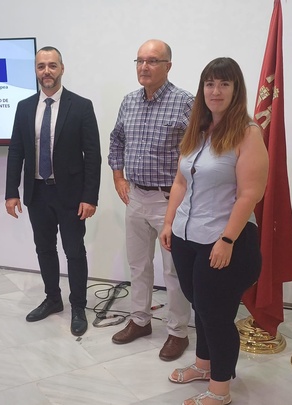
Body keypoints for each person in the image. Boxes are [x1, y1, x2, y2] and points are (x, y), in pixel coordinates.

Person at [159, 57, 268, 405]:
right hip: (186, 237)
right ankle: (204, 366)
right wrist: (167, 223)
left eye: (224, 84)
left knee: (216, 315)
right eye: (209, 83)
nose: (215, 91)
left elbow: (251, 193)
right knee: (200, 308)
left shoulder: (248, 133)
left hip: (224, 241)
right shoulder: (198, 131)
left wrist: (226, 239)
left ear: (236, 90)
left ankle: (220, 390)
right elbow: (180, 181)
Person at [5, 46, 101, 336]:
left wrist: (90, 197)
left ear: (62, 68)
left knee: (74, 252)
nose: (46, 71)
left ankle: (78, 306)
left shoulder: (81, 106)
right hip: (37, 193)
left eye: (52, 66)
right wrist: (12, 192)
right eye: (41, 66)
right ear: (35, 70)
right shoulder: (24, 107)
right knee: (44, 249)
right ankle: (53, 299)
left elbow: (92, 154)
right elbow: (16, 152)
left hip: (71, 195)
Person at [107, 39, 193, 361]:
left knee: (173, 271)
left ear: (168, 66)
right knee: (138, 265)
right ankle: (140, 321)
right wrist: (118, 176)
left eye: (153, 61)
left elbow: (197, 152)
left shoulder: (185, 102)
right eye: (140, 60)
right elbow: (116, 139)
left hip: (170, 200)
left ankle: (177, 331)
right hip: (136, 197)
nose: (144, 66)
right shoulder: (129, 101)